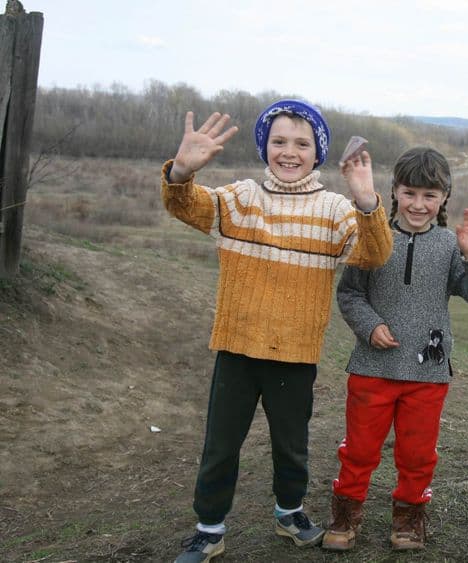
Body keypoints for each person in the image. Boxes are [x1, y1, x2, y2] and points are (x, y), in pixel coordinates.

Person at [160, 99, 393, 563]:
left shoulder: (335, 210)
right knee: (221, 444)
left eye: (302, 143)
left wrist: (366, 202)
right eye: (279, 141)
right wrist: (180, 173)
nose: (290, 152)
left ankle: (290, 512)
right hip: (237, 348)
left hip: (295, 353)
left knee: (292, 444)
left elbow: (374, 254)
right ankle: (210, 529)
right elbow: (186, 205)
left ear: (318, 152)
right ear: (265, 146)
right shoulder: (241, 198)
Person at [320, 147, 468, 552]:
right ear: (394, 191)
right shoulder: (373, 237)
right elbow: (349, 294)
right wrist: (371, 326)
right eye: (410, 193)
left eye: (429, 196)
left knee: (418, 454)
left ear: (444, 198)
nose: (419, 204)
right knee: (359, 448)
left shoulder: (451, 245)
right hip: (372, 367)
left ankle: (409, 519)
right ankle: (346, 515)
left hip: (427, 373)